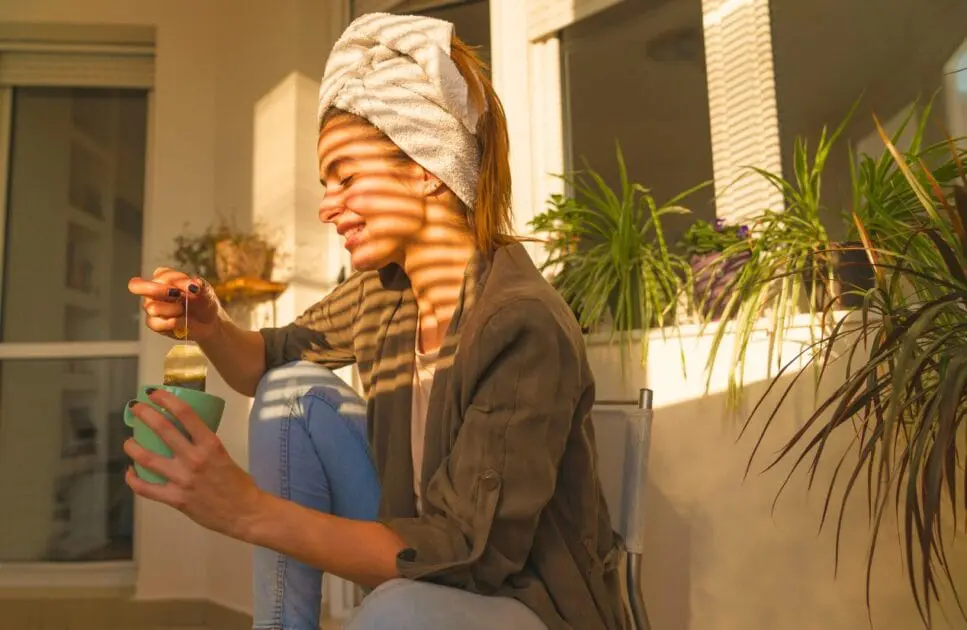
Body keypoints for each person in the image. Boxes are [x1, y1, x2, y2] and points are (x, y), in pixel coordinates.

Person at [125, 12, 628, 630]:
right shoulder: (386, 291)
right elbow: (263, 363)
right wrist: (207, 323)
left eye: (347, 177)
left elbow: (473, 556)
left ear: (424, 169)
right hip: (425, 549)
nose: (327, 205)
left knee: (398, 610)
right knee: (290, 390)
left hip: (526, 600)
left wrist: (245, 510)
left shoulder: (521, 324)